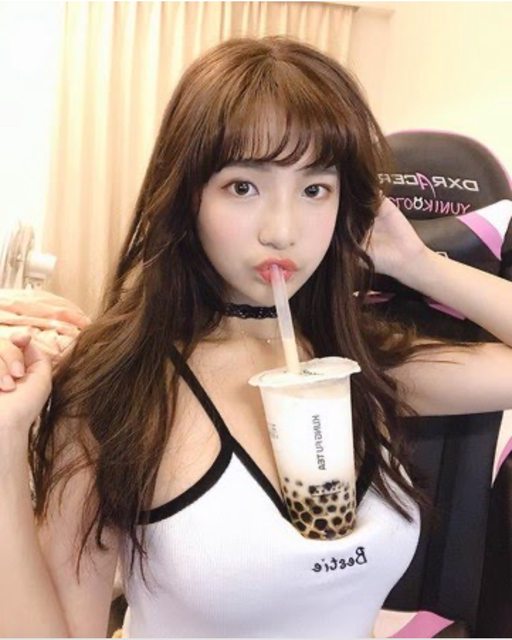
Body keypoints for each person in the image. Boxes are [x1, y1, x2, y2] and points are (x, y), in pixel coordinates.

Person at [0, 35, 511, 638]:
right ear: (187, 196)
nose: (282, 230)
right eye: (243, 186)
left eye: (315, 189)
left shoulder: (362, 365)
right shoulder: (120, 389)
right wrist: (5, 445)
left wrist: (418, 263)